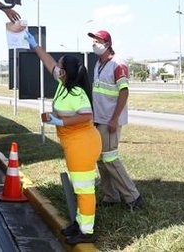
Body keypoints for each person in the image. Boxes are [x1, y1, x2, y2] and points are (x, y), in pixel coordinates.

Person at [25, 31, 101, 245]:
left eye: (60, 65)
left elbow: (87, 115)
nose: (57, 67)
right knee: (79, 187)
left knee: (84, 189)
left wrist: (60, 122)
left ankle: (87, 231)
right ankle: (79, 223)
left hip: (82, 144)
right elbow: (48, 62)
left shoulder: (76, 92)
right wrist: (35, 46)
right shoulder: (63, 82)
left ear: (66, 72)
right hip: (73, 143)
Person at [87, 30, 143, 210]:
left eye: (98, 40)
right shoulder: (99, 63)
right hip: (99, 118)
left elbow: (124, 92)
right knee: (101, 158)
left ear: (107, 43)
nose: (94, 43)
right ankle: (111, 196)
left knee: (110, 158)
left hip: (110, 119)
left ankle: (133, 197)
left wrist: (114, 119)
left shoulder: (118, 64)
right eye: (93, 41)